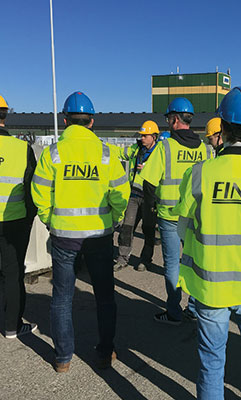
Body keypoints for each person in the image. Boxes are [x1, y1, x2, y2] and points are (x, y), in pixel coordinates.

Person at [172, 86, 241, 399]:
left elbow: (183, 226)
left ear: (222, 127)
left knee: (211, 362)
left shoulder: (200, 173)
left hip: (212, 284)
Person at [31, 91, 130, 373]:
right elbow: (120, 194)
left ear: (65, 120)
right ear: (92, 121)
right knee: (105, 296)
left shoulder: (53, 153)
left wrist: (49, 219)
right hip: (99, 236)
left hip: (64, 236)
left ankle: (63, 357)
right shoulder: (106, 153)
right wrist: (115, 219)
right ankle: (105, 352)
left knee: (62, 298)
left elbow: (39, 192)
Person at [140, 97, 212, 325]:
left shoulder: (165, 147)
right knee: (195, 262)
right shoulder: (204, 149)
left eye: (168, 119)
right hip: (195, 215)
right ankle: (194, 309)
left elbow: (149, 183)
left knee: (172, 265)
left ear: (174, 119)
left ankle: (174, 312)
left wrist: (150, 209)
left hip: (170, 215)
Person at [0, 94, 37, 339]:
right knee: (13, 273)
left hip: (15, 221)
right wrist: (29, 218)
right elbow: (32, 189)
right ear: (5, 115)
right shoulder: (22, 148)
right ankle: (12, 325)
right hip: (14, 222)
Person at [113, 120, 159, 272]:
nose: (142, 138)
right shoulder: (136, 148)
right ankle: (122, 258)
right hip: (134, 195)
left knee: (148, 229)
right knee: (127, 227)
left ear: (154, 136)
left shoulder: (160, 152)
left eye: (145, 136)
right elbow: (120, 152)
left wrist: (148, 168)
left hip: (150, 197)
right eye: (142, 135)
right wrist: (101, 147)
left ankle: (145, 260)